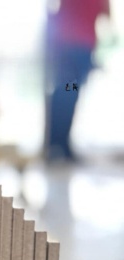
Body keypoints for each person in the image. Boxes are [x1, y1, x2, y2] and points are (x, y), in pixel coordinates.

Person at [45, 0, 109, 163]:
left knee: (65, 92)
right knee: (68, 92)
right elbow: (106, 13)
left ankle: (58, 143)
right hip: (77, 48)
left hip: (67, 46)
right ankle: (59, 144)